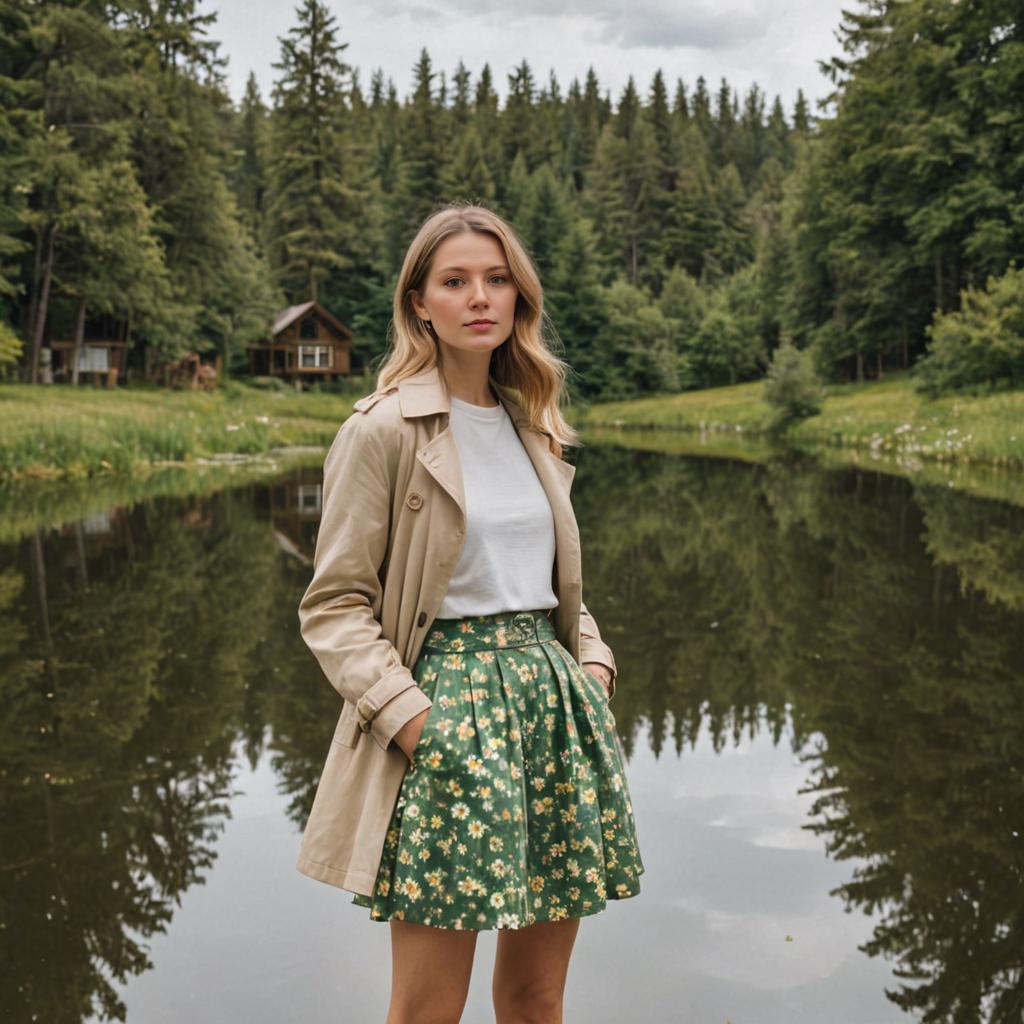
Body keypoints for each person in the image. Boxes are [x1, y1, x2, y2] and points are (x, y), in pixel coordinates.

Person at [297, 202, 644, 1024]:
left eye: (497, 281)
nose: (479, 297)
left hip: (554, 714)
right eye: (455, 281)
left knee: (535, 998)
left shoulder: (538, 424)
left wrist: (592, 661)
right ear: (420, 301)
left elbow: (551, 581)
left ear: (519, 298)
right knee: (427, 1010)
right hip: (445, 718)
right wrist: (415, 722)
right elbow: (335, 605)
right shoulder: (383, 430)